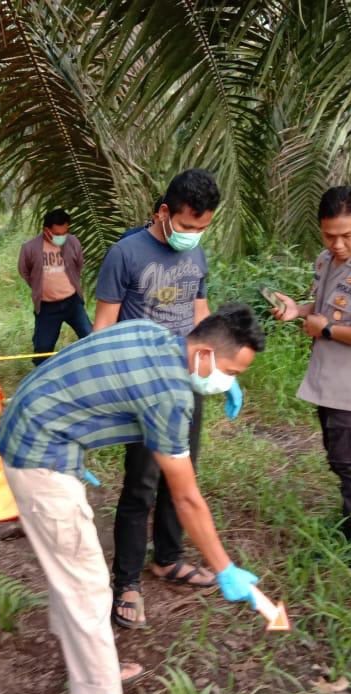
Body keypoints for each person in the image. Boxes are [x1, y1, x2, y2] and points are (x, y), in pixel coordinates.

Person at [0, 305, 266, 694]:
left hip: (34, 428)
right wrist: (225, 568)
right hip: (39, 454)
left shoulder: (155, 333)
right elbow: (186, 499)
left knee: (74, 574)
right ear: (203, 354)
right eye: (232, 371)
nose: (227, 384)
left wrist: (230, 373)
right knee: (85, 584)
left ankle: (91, 661)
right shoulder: (169, 395)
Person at [94, 168, 242, 629]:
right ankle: (127, 582)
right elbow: (103, 328)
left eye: (202, 228)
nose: (194, 235)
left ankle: (170, 557)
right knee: (141, 483)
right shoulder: (125, 253)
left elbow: (200, 314)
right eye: (187, 226)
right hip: (143, 387)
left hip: (185, 383)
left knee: (183, 475)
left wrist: (218, 367)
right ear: (164, 212)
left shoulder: (195, 257)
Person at [273, 186, 351, 549]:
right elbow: (322, 306)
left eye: (347, 235)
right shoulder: (326, 260)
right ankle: (349, 519)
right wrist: (297, 310)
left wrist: (327, 329)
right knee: (338, 455)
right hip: (324, 378)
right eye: (330, 235)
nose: (339, 243)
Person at [17, 208, 92, 365]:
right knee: (43, 350)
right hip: (47, 308)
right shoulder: (30, 248)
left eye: (65, 233)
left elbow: (78, 265)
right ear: (46, 230)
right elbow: (24, 271)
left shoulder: (73, 242)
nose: (62, 237)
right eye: (58, 234)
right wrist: (41, 287)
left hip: (73, 303)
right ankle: (41, 379)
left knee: (90, 337)